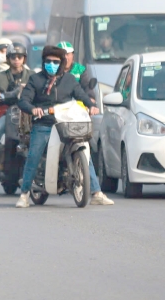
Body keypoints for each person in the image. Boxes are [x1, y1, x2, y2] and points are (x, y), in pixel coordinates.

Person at [15, 45, 114, 208]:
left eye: (55, 62)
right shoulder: (35, 80)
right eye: (48, 61)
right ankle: (24, 194)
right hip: (44, 124)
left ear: (61, 63)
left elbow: (81, 94)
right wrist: (33, 109)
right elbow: (24, 100)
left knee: (85, 152)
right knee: (34, 155)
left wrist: (91, 105)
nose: (51, 64)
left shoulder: (69, 80)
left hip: (67, 124)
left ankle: (96, 193)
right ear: (43, 62)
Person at [0, 43, 32, 164]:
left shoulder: (33, 75)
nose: (17, 59)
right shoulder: (0, 76)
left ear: (24, 58)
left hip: (30, 112)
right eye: (13, 57)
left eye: (20, 56)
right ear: (8, 59)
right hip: (8, 111)